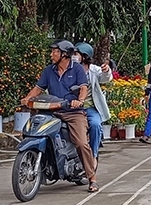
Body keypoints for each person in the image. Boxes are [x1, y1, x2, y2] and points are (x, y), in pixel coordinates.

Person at [21, 40, 99, 191]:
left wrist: (80, 101)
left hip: (73, 112)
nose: (51, 55)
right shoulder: (49, 70)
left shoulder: (77, 69)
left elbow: (83, 88)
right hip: (52, 111)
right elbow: (37, 89)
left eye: (55, 52)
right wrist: (27, 99)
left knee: (81, 143)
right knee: (34, 130)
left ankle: (92, 178)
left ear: (64, 54)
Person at [76, 42, 111, 160]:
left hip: (90, 108)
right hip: (72, 108)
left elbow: (106, 78)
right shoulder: (70, 69)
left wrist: (106, 70)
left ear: (85, 56)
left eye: (76, 54)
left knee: (96, 125)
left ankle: (93, 155)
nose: (73, 57)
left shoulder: (94, 70)